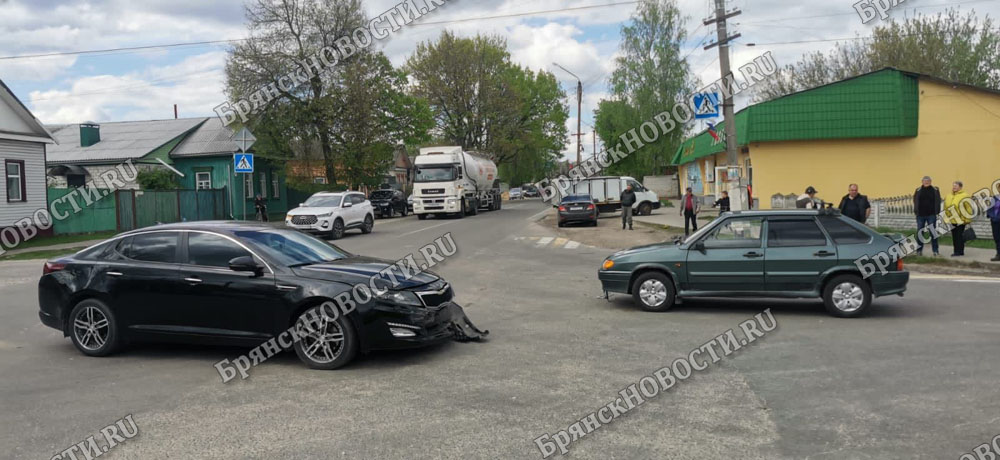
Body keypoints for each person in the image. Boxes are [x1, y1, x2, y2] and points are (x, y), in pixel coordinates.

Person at [913, 176, 942, 256]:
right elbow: (915, 200)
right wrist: (916, 211)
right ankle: (919, 251)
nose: (926, 182)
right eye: (925, 181)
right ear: (922, 182)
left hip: (931, 215)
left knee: (933, 232)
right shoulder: (918, 190)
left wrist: (937, 211)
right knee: (920, 232)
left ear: (931, 182)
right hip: (920, 215)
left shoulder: (935, 190)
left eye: (928, 181)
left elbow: (938, 200)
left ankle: (935, 251)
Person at [944, 181, 971, 257]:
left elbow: (968, 208)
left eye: (956, 186)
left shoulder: (965, 195)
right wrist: (946, 218)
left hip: (961, 220)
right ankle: (957, 250)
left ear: (960, 187)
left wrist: (967, 219)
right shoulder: (949, 195)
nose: (954, 187)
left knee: (959, 236)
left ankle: (959, 251)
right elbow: (946, 207)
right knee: (954, 236)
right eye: (953, 186)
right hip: (952, 219)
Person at [988, 193, 1000, 262]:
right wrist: (991, 216)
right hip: (995, 221)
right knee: (997, 237)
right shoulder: (994, 198)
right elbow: (989, 208)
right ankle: (998, 254)